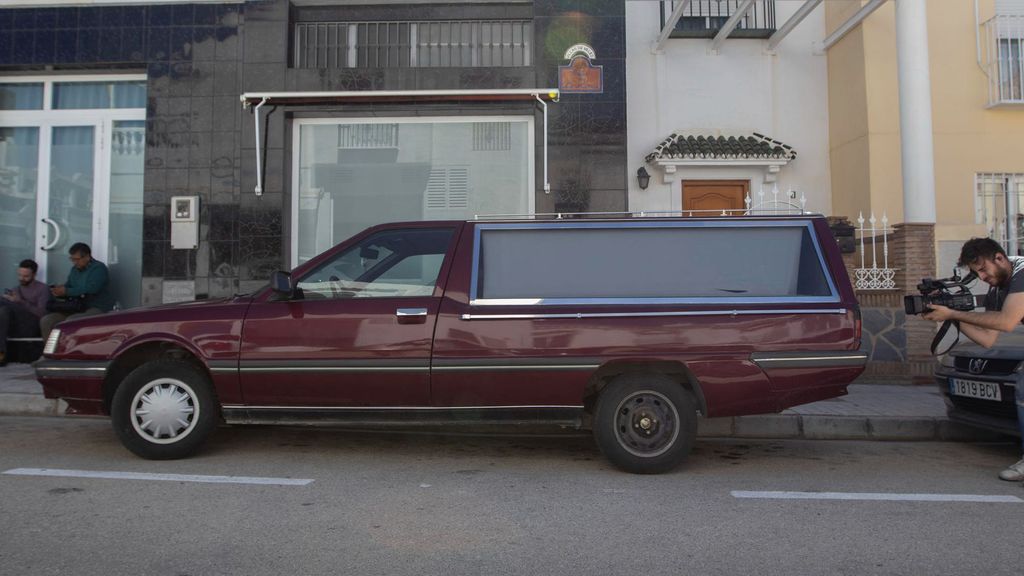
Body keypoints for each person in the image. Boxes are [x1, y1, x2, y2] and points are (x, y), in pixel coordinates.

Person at [922, 237, 1024, 481]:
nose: (982, 277)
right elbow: (988, 339)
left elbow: (1006, 322)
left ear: (999, 258)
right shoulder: (997, 288)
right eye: (976, 272)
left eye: (983, 269)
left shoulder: (1022, 273)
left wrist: (954, 312)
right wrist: (950, 316)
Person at [40, 243, 115, 339]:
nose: (74, 262)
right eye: (72, 259)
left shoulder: (99, 268)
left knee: (72, 321)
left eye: (77, 259)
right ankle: (51, 352)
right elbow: (69, 286)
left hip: (96, 307)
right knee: (47, 320)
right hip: (76, 307)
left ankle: (70, 351)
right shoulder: (74, 270)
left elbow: (92, 289)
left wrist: (67, 291)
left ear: (87, 257)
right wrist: (58, 291)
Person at [0, 259, 50, 366]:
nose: (21, 278)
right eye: (19, 275)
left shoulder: (42, 288)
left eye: (26, 276)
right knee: (3, 311)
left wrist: (20, 302)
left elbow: (42, 313)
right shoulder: (16, 289)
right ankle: (1, 353)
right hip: (14, 324)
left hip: (32, 325)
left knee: (3, 305)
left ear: (34, 275)